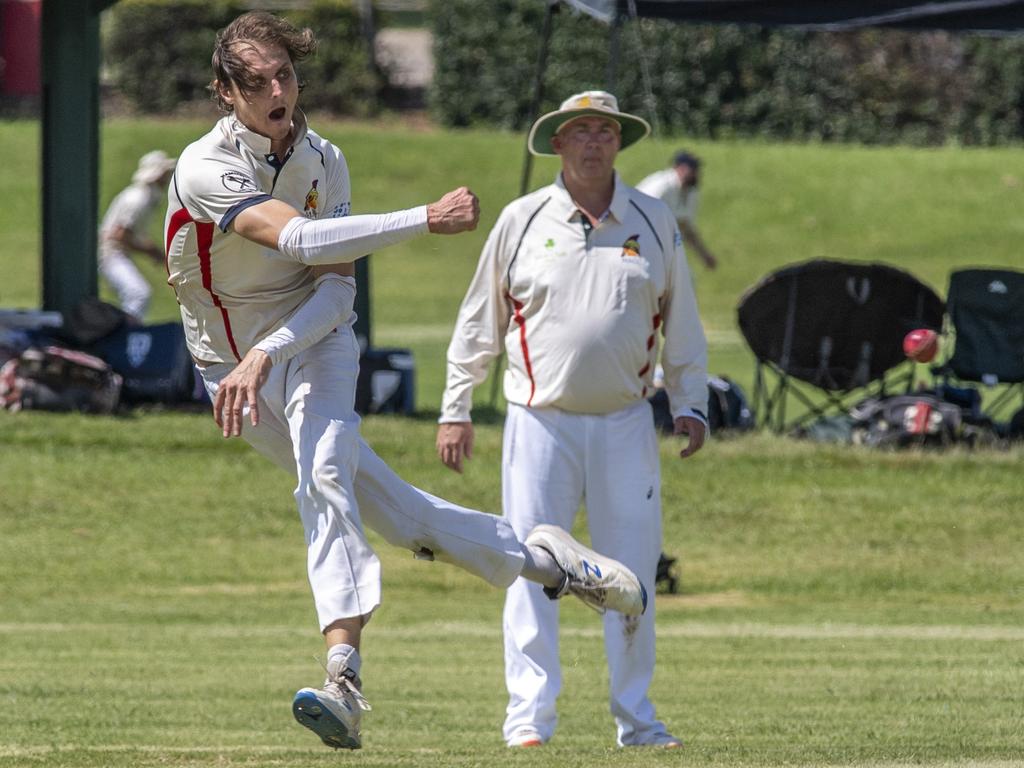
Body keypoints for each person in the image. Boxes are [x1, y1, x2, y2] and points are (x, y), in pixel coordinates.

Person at [163, 13, 647, 752]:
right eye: (255, 81)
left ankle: (342, 677)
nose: (276, 89)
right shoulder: (204, 166)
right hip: (228, 371)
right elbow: (292, 237)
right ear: (224, 92)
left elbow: (334, 291)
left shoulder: (325, 160)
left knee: (325, 472)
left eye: (284, 74)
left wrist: (276, 350)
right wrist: (425, 218)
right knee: (401, 515)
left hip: (315, 343)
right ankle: (546, 561)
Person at [436, 91, 709, 749]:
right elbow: (481, 321)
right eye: (580, 131)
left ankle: (637, 719)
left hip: (625, 420)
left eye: (605, 131)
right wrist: (456, 406)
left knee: (633, 576)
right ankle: (529, 716)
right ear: (557, 143)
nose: (593, 142)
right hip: (539, 420)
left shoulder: (653, 218)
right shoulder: (522, 220)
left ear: (620, 142)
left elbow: (683, 324)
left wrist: (690, 400)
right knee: (529, 565)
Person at [98, 150, 177, 322]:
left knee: (137, 293)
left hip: (114, 252)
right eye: (165, 173)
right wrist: (152, 252)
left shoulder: (144, 195)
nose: (168, 177)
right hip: (109, 253)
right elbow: (119, 235)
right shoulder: (138, 198)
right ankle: (125, 335)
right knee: (138, 293)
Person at [636, 150, 718, 270]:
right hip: (636, 245)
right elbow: (639, 216)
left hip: (659, 249)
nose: (696, 174)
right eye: (693, 169)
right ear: (680, 168)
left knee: (684, 279)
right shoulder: (660, 186)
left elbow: (685, 226)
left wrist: (704, 255)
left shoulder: (690, 192)